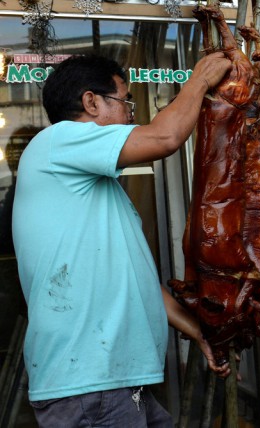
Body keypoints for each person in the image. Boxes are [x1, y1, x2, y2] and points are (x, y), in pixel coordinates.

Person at [11, 53, 232, 427]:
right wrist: (199, 81)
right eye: (126, 102)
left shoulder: (99, 189)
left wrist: (198, 331)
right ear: (91, 102)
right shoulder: (57, 141)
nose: (132, 114)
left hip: (116, 381)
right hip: (88, 385)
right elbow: (166, 137)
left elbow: (138, 281)